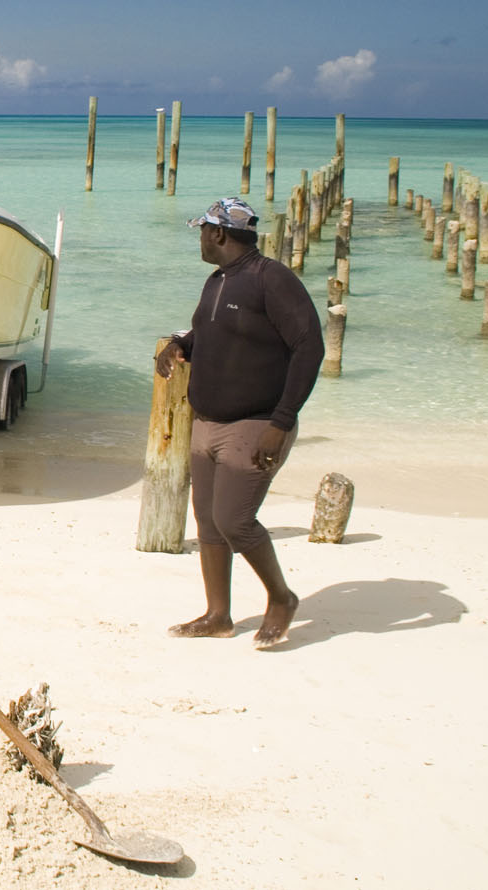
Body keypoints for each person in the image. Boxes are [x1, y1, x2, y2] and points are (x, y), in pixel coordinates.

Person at [155, 197, 324, 649]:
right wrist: (179, 345)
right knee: (208, 523)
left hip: (256, 423)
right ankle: (218, 616)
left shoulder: (272, 279)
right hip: (207, 422)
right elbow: (215, 332)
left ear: (218, 234)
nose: (200, 239)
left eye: (202, 231)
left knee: (235, 520)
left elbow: (309, 346)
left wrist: (282, 422)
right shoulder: (218, 281)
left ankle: (281, 598)